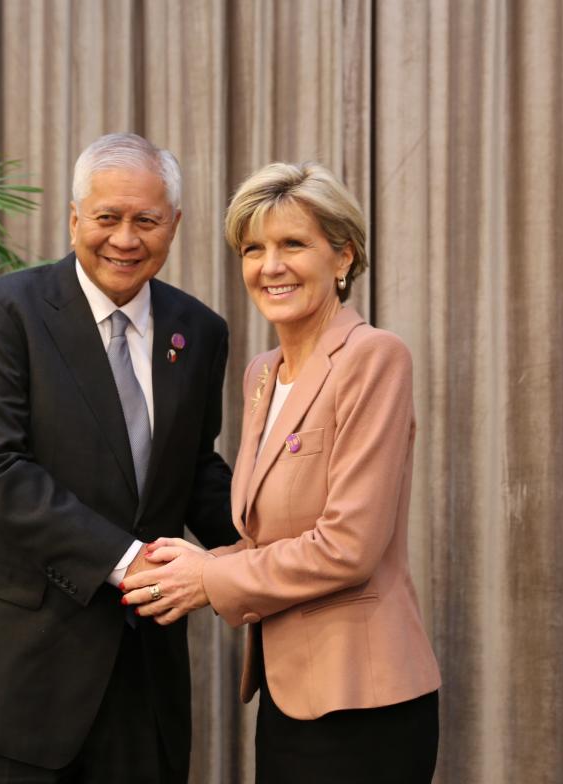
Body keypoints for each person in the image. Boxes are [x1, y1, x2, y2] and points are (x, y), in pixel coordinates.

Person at [0, 132, 239, 783]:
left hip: (141, 682)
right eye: (107, 218)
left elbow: (194, 469)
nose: (125, 238)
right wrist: (129, 563)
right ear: (75, 219)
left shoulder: (199, 330)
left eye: (146, 220)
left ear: (173, 225)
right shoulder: (4, 312)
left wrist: (265, 553)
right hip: (16, 679)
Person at [122, 162, 441, 783]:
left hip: (362, 699)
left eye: (293, 244)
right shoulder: (262, 374)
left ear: (342, 257)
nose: (271, 266)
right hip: (286, 692)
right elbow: (269, 533)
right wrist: (176, 566)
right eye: (253, 249)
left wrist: (210, 576)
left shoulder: (374, 358)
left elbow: (348, 547)